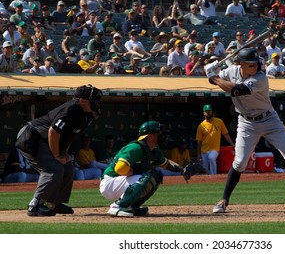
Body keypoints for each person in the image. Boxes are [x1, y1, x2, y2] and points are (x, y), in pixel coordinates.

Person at [204, 48, 285, 213]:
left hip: (269, 120)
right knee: (239, 162)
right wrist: (210, 72)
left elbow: (236, 90)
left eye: (256, 64)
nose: (256, 67)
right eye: (251, 65)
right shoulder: (231, 71)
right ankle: (223, 200)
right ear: (242, 64)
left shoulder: (260, 78)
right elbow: (216, 81)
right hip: (246, 122)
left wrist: (213, 76)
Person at [15, 84, 103, 216]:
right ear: (82, 101)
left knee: (67, 167)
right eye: (94, 100)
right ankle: (35, 205)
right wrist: (57, 155)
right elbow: (54, 131)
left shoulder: (86, 114)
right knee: (54, 168)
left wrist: (63, 154)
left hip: (43, 139)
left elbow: (68, 136)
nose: (97, 103)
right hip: (32, 137)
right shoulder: (71, 109)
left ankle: (53, 203)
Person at [99, 120, 184, 217]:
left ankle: (131, 206)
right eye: (159, 133)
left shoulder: (153, 151)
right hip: (110, 183)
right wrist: (135, 172)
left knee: (156, 176)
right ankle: (118, 207)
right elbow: (120, 169)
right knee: (147, 177)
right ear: (150, 136)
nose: (162, 136)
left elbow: (166, 164)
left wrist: (183, 170)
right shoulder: (135, 148)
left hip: (121, 182)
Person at [196, 104, 235, 175]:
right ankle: (206, 181)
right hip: (204, 150)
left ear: (212, 112)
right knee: (205, 168)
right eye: (206, 111)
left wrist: (232, 144)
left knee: (211, 158)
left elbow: (225, 134)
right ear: (203, 113)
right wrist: (198, 155)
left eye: (210, 111)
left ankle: (213, 176)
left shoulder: (219, 121)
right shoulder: (201, 126)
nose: (208, 113)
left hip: (214, 148)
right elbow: (199, 141)